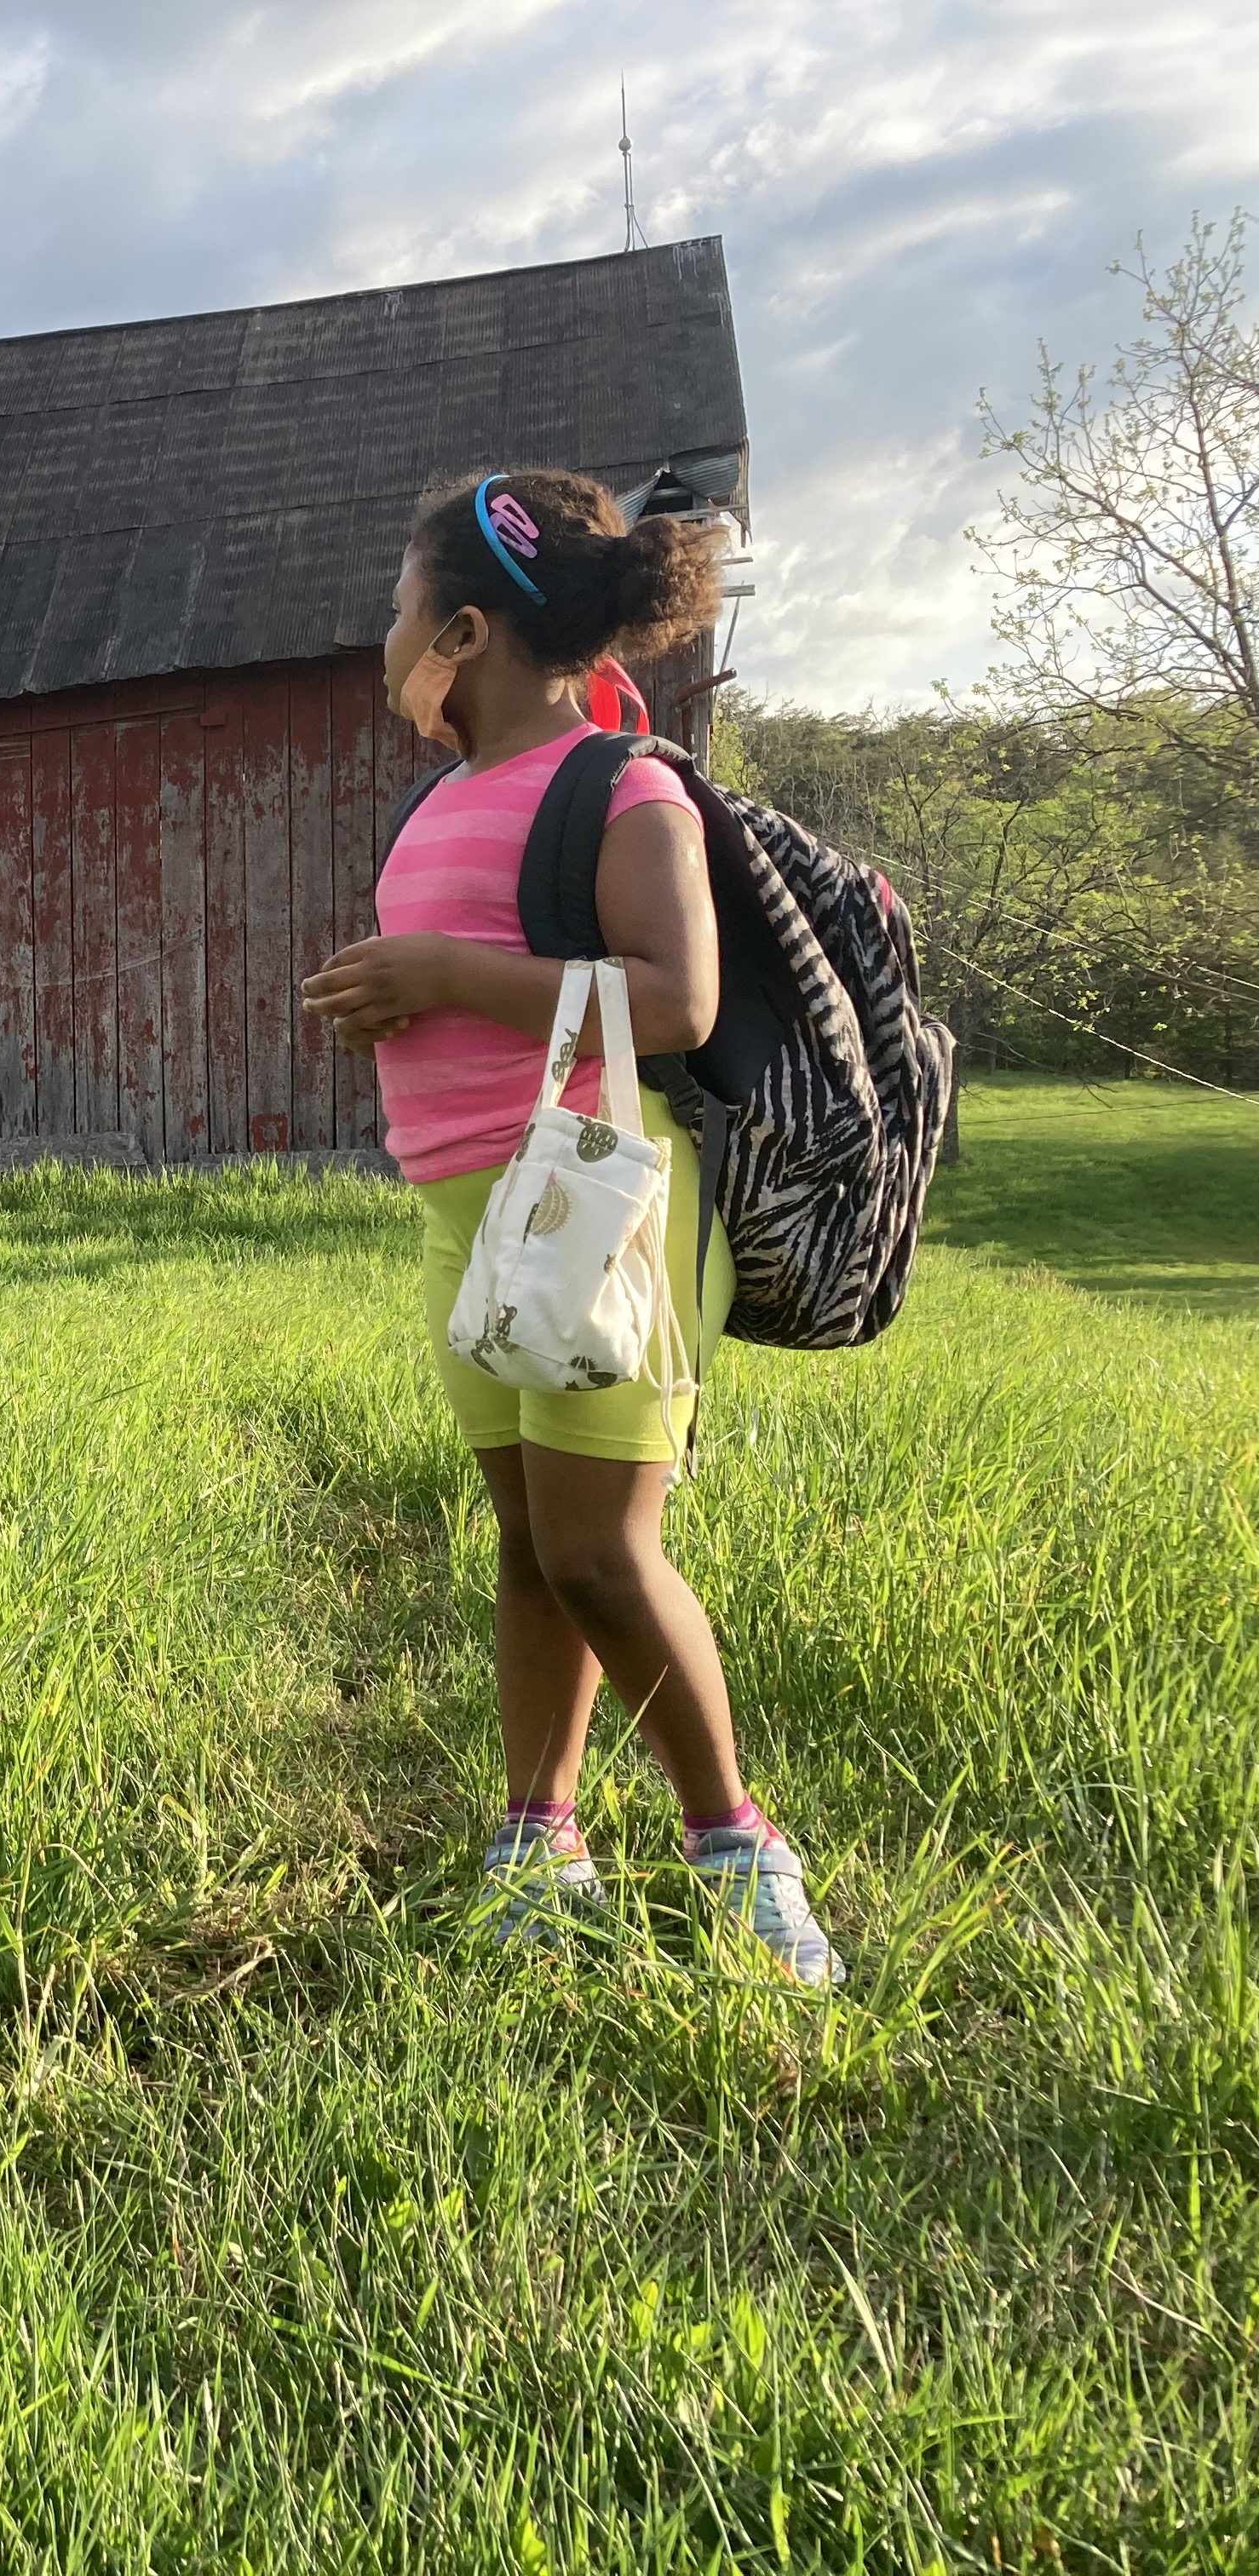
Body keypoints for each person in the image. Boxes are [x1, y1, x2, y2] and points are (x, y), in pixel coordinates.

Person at [300, 471, 841, 1987]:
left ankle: (738, 1843)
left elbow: (677, 999)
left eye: (402, 607)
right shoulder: (435, 801)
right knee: (531, 1543)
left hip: (602, 1207)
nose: (387, 636)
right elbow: (478, 978)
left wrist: (442, 976)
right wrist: (393, 1000)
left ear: (464, 631)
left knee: (602, 1550)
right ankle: (540, 1838)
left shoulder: (620, 786)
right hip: (462, 1211)